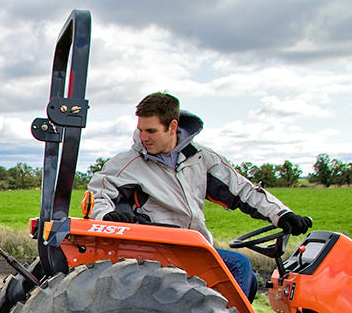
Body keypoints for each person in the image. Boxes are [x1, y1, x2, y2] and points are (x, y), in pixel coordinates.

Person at [84, 92, 311, 299]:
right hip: (160, 249)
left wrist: (281, 214)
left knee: (249, 280)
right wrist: (106, 216)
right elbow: (99, 191)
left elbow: (242, 189)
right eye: (141, 130)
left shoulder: (201, 158)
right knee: (239, 265)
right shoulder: (129, 163)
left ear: (172, 127)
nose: (143, 137)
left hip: (195, 246)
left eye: (151, 131)